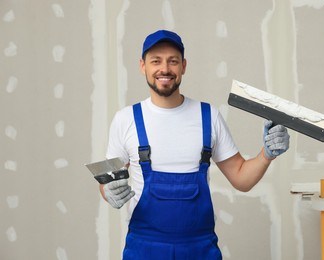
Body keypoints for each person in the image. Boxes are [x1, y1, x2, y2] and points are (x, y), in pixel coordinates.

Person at [99, 30, 290, 260]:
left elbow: (241, 178)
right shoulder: (125, 119)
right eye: (156, 61)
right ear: (143, 66)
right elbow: (108, 183)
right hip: (144, 249)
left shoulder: (209, 116)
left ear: (183, 66)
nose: (165, 69)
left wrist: (267, 154)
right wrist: (107, 191)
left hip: (199, 250)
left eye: (173, 61)